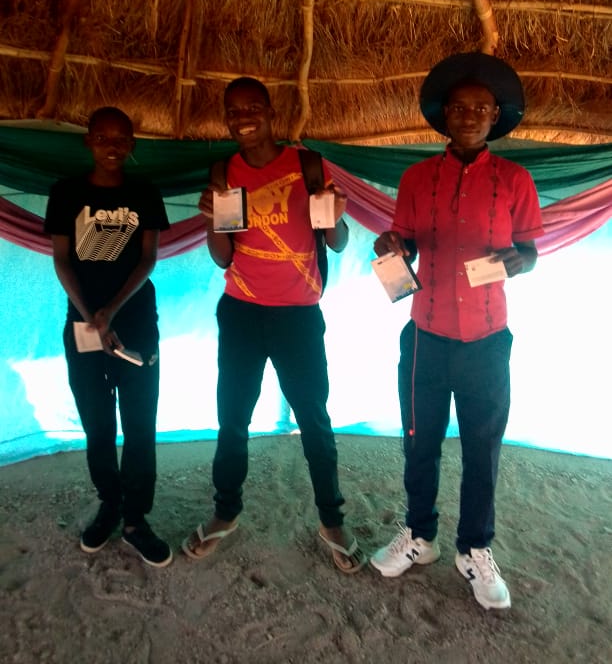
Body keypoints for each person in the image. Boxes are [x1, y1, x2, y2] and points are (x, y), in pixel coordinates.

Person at [370, 52, 544, 609]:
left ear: (496, 116)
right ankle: (419, 536)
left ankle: (474, 549)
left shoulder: (515, 180)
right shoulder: (416, 178)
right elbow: (403, 239)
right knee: (419, 441)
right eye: (459, 107)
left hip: (488, 339)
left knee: (481, 448)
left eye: (480, 108)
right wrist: (391, 245)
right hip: (425, 335)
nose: (469, 115)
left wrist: (520, 261)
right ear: (444, 115)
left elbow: (530, 250)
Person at [181, 76, 364, 574]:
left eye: (253, 107)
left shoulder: (306, 165)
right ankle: (225, 512)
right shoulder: (224, 172)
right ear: (226, 118)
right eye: (234, 110)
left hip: (298, 316)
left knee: (314, 420)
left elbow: (337, 242)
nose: (244, 117)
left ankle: (331, 521)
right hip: (241, 312)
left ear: (270, 112)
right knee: (232, 419)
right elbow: (223, 258)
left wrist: (335, 215)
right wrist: (211, 218)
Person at [44, 106, 172, 568]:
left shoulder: (144, 192)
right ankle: (110, 504)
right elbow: (62, 260)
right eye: (103, 137)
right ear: (89, 141)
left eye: (121, 139)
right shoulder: (66, 193)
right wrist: (92, 317)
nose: (112, 146)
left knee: (139, 424)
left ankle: (136, 520)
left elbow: (147, 259)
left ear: (132, 145)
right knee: (97, 424)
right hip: (83, 325)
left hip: (135, 324)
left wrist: (110, 312)